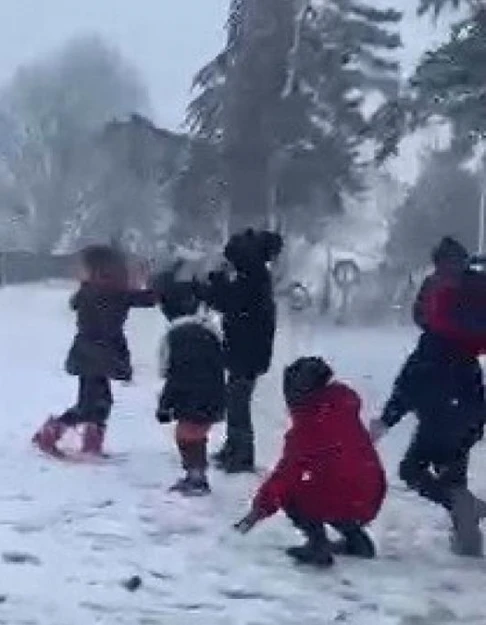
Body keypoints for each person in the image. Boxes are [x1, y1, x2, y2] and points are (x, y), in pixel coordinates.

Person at [371, 238, 486, 557]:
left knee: (412, 469)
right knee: (454, 472)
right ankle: (467, 539)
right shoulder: (466, 339)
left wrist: (386, 420)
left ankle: (468, 510)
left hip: (440, 412)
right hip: (469, 411)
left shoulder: (434, 342)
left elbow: (409, 384)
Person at [234, 357, 385, 568]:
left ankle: (317, 545)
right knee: (327, 484)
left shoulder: (307, 429)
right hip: (370, 490)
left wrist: (258, 510)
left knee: (297, 489)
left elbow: (285, 475)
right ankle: (356, 540)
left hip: (341, 493)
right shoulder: (343, 409)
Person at [31, 244, 155, 458]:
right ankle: (50, 434)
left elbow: (140, 298)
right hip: (97, 353)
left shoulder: (93, 288)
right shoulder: (110, 292)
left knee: (97, 401)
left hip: (91, 352)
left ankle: (89, 441)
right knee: (91, 404)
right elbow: (146, 299)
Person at [197, 229, 283, 473]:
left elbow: (227, 301)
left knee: (238, 402)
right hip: (247, 348)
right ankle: (234, 447)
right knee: (235, 399)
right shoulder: (254, 275)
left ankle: (241, 454)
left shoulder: (252, 277)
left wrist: (213, 284)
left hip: (246, 350)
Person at [154, 261, 226, 496]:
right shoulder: (209, 331)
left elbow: (171, 373)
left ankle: (196, 477)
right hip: (214, 393)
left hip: (189, 396)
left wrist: (165, 405)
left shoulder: (175, 337)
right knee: (198, 434)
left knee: (185, 435)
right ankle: (198, 474)